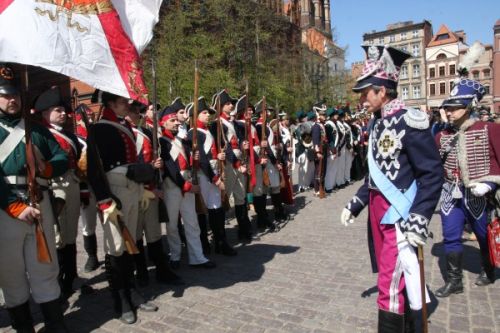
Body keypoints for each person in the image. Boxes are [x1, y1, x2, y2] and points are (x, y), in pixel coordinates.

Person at [340, 46, 443, 331]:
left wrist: (420, 216)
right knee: (393, 277)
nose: (361, 99)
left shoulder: (410, 122)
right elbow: (374, 175)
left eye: (365, 93)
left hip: (399, 216)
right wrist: (357, 203)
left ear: (382, 91)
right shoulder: (376, 124)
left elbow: (433, 173)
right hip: (377, 213)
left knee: (389, 282)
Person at [0, 64, 69, 332]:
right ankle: (24, 327)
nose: (12, 99)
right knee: (11, 273)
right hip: (6, 209)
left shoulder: (36, 129)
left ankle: (55, 324)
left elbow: (61, 156)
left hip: (38, 203)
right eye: (5, 95)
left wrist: (48, 168)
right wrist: (15, 207)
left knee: (45, 267)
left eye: (15, 94)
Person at [87, 91, 158, 324]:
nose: (128, 104)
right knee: (116, 246)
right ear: (110, 104)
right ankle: (120, 299)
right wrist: (104, 199)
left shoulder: (123, 126)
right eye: (122, 101)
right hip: (114, 192)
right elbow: (94, 170)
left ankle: (131, 290)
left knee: (131, 243)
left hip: (132, 187)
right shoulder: (98, 128)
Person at [434, 78, 499, 297]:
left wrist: (489, 183)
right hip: (450, 194)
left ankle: (488, 268)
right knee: (450, 235)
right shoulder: (442, 136)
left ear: (468, 106)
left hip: (478, 194)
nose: (449, 112)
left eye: (454, 108)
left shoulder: (489, 129)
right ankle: (455, 281)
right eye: (448, 108)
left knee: (482, 235)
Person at [125, 100, 183, 285]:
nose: (138, 114)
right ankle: (141, 272)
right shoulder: (123, 133)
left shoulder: (147, 133)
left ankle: (162, 270)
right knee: (136, 235)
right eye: (134, 111)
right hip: (133, 190)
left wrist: (157, 180)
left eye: (139, 111)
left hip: (151, 189)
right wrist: (151, 168)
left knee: (154, 233)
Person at [35, 87, 83, 298]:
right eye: (57, 110)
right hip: (54, 186)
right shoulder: (40, 134)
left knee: (70, 233)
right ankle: (59, 281)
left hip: (71, 184)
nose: (63, 113)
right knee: (57, 236)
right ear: (45, 113)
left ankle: (70, 278)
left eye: (63, 110)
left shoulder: (69, 135)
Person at [187, 97, 237, 256]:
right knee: (202, 211)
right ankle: (203, 244)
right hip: (204, 175)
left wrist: (220, 156)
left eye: (208, 113)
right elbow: (201, 159)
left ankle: (220, 241)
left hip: (214, 172)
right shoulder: (193, 133)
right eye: (203, 112)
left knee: (217, 209)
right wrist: (215, 179)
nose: (208, 115)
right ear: (195, 116)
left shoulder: (207, 130)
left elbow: (212, 153)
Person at [212, 90, 253, 241]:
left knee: (241, 197)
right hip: (228, 164)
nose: (231, 106)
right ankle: (221, 237)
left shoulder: (234, 123)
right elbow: (224, 147)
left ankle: (243, 229)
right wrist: (236, 164)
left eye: (231, 103)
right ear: (220, 106)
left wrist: (244, 144)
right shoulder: (217, 124)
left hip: (239, 161)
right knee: (224, 199)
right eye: (227, 103)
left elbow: (239, 139)